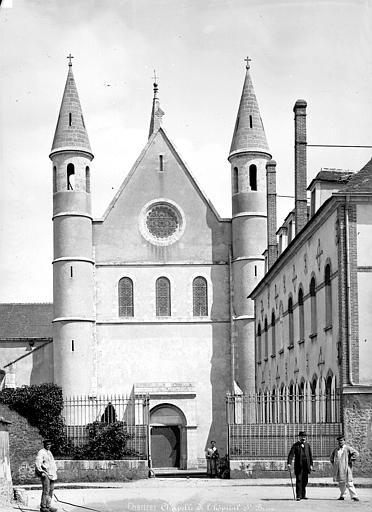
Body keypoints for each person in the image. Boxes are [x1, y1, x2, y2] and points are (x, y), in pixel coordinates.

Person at [330, 434, 360, 501]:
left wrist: (351, 459)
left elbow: (356, 453)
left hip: (346, 468)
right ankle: (342, 496)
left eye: (341, 440)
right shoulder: (336, 449)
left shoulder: (348, 448)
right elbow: (331, 458)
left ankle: (354, 496)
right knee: (341, 483)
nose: (340, 442)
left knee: (349, 483)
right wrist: (335, 464)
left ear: (344, 441)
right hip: (339, 469)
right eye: (339, 441)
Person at [287, 431, 313, 501]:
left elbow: (310, 456)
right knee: (299, 480)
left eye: (304, 437)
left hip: (306, 466)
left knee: (305, 481)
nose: (303, 438)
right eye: (302, 436)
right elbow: (291, 454)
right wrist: (289, 463)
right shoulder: (295, 445)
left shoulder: (307, 445)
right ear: (299, 437)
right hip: (299, 466)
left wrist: (311, 464)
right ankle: (298, 496)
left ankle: (303, 495)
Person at [35, 439, 58, 512]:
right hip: (46, 474)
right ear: (44, 445)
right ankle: (43, 507)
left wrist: (55, 471)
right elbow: (38, 462)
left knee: (51, 490)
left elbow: (52, 463)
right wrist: (41, 472)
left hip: (52, 474)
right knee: (46, 490)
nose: (48, 446)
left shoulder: (49, 452)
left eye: (50, 444)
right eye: (47, 444)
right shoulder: (41, 452)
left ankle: (48, 505)